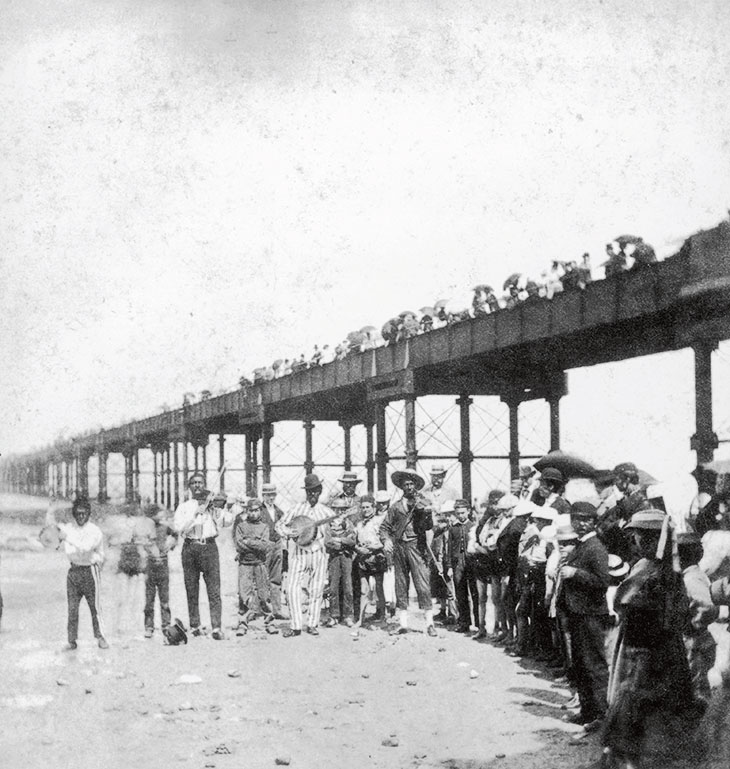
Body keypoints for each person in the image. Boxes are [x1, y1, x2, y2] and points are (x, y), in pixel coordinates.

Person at [602, 510, 700, 769]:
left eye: (637, 537)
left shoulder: (646, 568)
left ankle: (630, 760)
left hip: (641, 647)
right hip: (669, 647)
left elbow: (621, 601)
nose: (635, 542)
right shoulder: (674, 569)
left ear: (647, 540)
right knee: (665, 703)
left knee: (634, 702)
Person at [557, 502, 610, 734]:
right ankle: (587, 711)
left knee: (594, 666)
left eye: (585, 519)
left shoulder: (595, 547)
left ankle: (601, 715)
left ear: (593, 522)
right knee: (580, 664)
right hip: (578, 612)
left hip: (590, 614)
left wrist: (575, 573)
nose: (580, 523)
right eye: (576, 519)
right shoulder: (581, 545)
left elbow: (602, 582)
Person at [173, 472, 232, 640]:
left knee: (214, 589)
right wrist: (194, 515)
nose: (198, 486)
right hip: (190, 547)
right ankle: (195, 625)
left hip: (209, 547)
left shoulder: (211, 505)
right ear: (189, 487)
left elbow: (226, 522)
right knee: (191, 589)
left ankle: (216, 627)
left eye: (200, 483)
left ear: (204, 484)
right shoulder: (184, 507)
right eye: (194, 483)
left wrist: (220, 510)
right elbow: (179, 528)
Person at [379, 470, 438, 636]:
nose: (409, 487)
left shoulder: (422, 503)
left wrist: (426, 513)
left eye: (412, 484)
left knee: (423, 585)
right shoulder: (395, 507)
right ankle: (403, 624)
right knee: (401, 584)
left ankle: (430, 624)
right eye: (406, 484)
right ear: (401, 487)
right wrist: (387, 541)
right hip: (399, 547)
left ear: (416, 486)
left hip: (416, 546)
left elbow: (428, 526)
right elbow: (384, 527)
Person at [276, 473, 333, 637]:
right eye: (309, 491)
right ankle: (296, 625)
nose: (312, 495)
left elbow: (334, 530)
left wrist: (339, 523)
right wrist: (289, 532)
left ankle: (313, 623)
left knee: (316, 588)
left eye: (315, 491)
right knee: (292, 587)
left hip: (318, 552)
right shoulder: (297, 509)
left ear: (320, 491)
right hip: (300, 552)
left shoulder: (326, 511)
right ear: (306, 492)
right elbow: (279, 525)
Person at [56, 496, 109, 650]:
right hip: (73, 571)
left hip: (90, 570)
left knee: (95, 607)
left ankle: (101, 637)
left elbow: (85, 548)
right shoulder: (69, 529)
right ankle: (71, 640)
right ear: (74, 513)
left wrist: (67, 538)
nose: (81, 516)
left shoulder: (94, 530)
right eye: (78, 513)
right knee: (72, 608)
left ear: (88, 513)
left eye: (84, 513)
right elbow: (63, 547)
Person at [678, 529, 718, 707]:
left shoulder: (691, 580)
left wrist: (695, 623)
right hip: (699, 640)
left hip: (696, 642)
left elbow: (708, 607)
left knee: (698, 690)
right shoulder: (695, 574)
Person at [232, 498, 278, 636]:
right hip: (245, 564)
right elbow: (239, 544)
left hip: (259, 564)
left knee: (263, 595)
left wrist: (248, 542)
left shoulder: (264, 527)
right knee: (245, 594)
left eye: (256, 510)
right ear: (247, 511)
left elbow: (264, 546)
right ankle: (243, 623)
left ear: (260, 511)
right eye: (251, 510)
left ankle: (269, 622)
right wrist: (255, 543)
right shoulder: (241, 526)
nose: (254, 513)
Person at [423, 464, 458, 624]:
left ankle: (453, 612)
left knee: (448, 567)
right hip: (433, 534)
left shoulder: (452, 492)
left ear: (444, 476)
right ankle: (442, 609)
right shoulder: (426, 492)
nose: (436, 479)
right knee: (436, 570)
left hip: (447, 532)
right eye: (433, 476)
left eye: (439, 476)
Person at [142, 503, 177, 639]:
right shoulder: (145, 529)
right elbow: (142, 542)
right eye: (158, 514)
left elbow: (175, 535)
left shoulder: (164, 527)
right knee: (149, 599)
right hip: (150, 565)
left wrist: (172, 543)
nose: (161, 516)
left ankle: (166, 625)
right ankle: (149, 627)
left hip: (163, 564)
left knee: (164, 598)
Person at [354, 494, 387, 623]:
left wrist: (372, 547)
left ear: (373, 507)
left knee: (379, 588)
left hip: (376, 557)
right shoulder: (359, 524)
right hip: (363, 559)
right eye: (363, 507)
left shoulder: (379, 521)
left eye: (368, 507)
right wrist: (359, 548)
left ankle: (382, 616)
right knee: (364, 590)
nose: (365, 510)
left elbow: (383, 542)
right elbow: (355, 542)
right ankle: (361, 620)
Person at [324, 498, 357, 627]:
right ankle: (334, 615)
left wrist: (339, 540)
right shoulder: (328, 525)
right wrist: (343, 541)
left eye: (343, 509)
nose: (340, 511)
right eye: (338, 509)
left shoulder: (349, 523)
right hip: (333, 558)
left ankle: (348, 615)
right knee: (333, 587)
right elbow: (327, 542)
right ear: (334, 510)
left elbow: (352, 541)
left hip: (347, 557)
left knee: (348, 586)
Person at [447, 499, 479, 633]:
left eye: (463, 513)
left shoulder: (473, 527)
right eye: (458, 513)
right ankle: (464, 623)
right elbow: (449, 549)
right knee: (461, 593)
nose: (461, 515)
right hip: (457, 564)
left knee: (475, 593)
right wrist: (449, 567)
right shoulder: (453, 528)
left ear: (468, 511)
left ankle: (478, 623)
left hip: (471, 564)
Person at [260, 482, 286, 618]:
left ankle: (277, 610)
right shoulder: (257, 510)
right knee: (262, 578)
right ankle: (264, 610)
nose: (271, 498)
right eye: (268, 495)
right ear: (263, 495)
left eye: (273, 495)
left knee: (276, 578)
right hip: (264, 546)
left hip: (277, 545)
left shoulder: (279, 511)